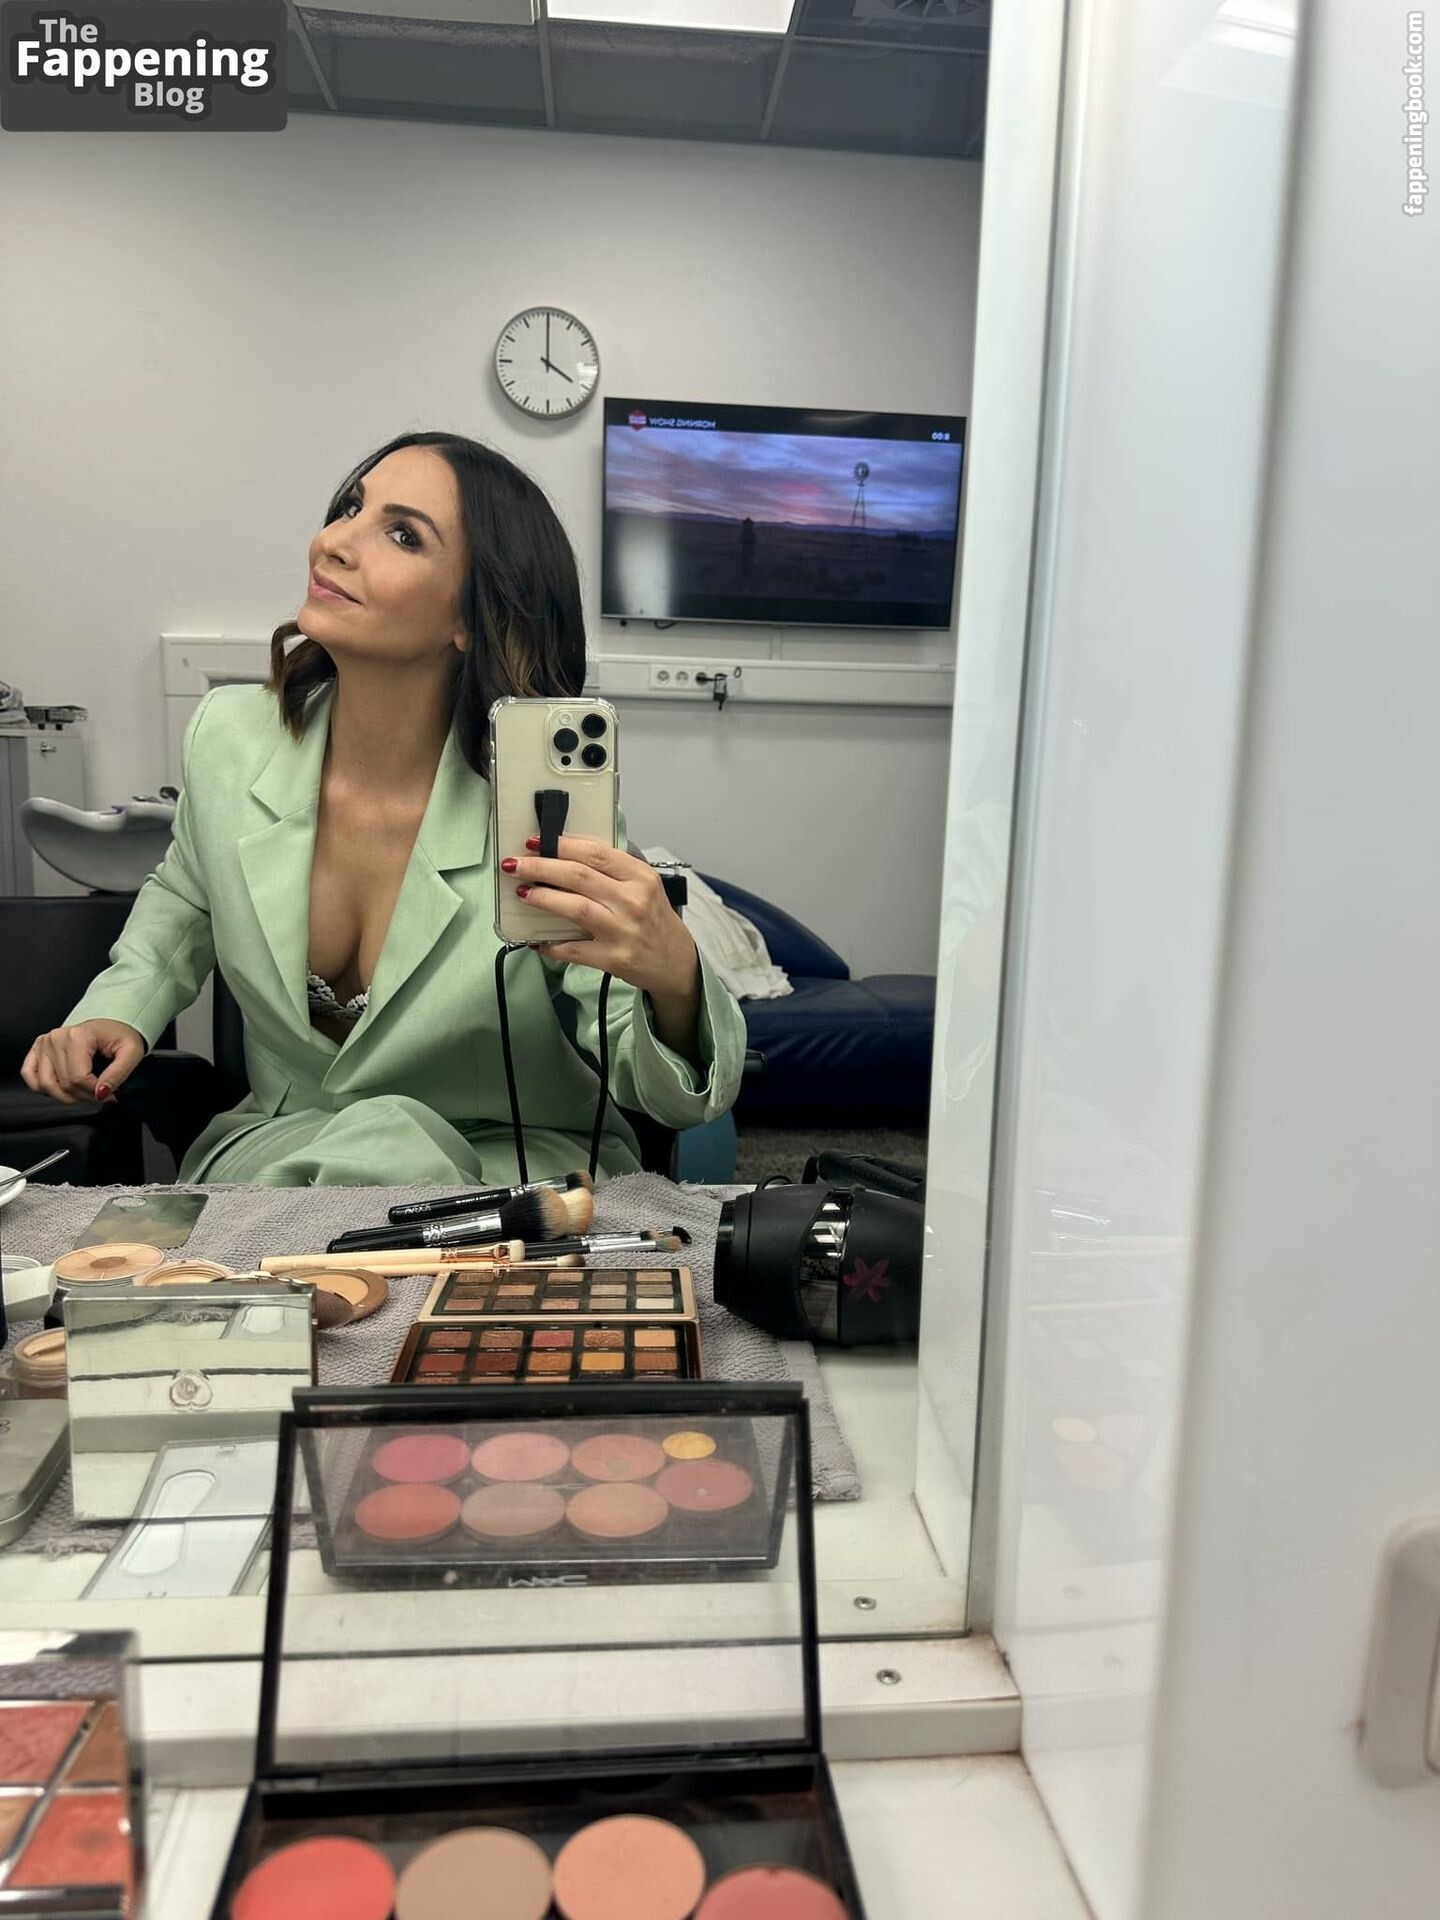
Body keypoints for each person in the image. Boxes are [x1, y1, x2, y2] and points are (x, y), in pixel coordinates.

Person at [21, 430, 747, 1186]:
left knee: (381, 1159)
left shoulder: (542, 809)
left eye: (403, 534)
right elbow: (187, 895)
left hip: (507, 1161)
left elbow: (659, 1086)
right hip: (286, 1147)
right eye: (349, 508)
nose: (334, 543)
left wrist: (675, 979)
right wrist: (119, 1008)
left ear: (471, 617)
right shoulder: (228, 737)